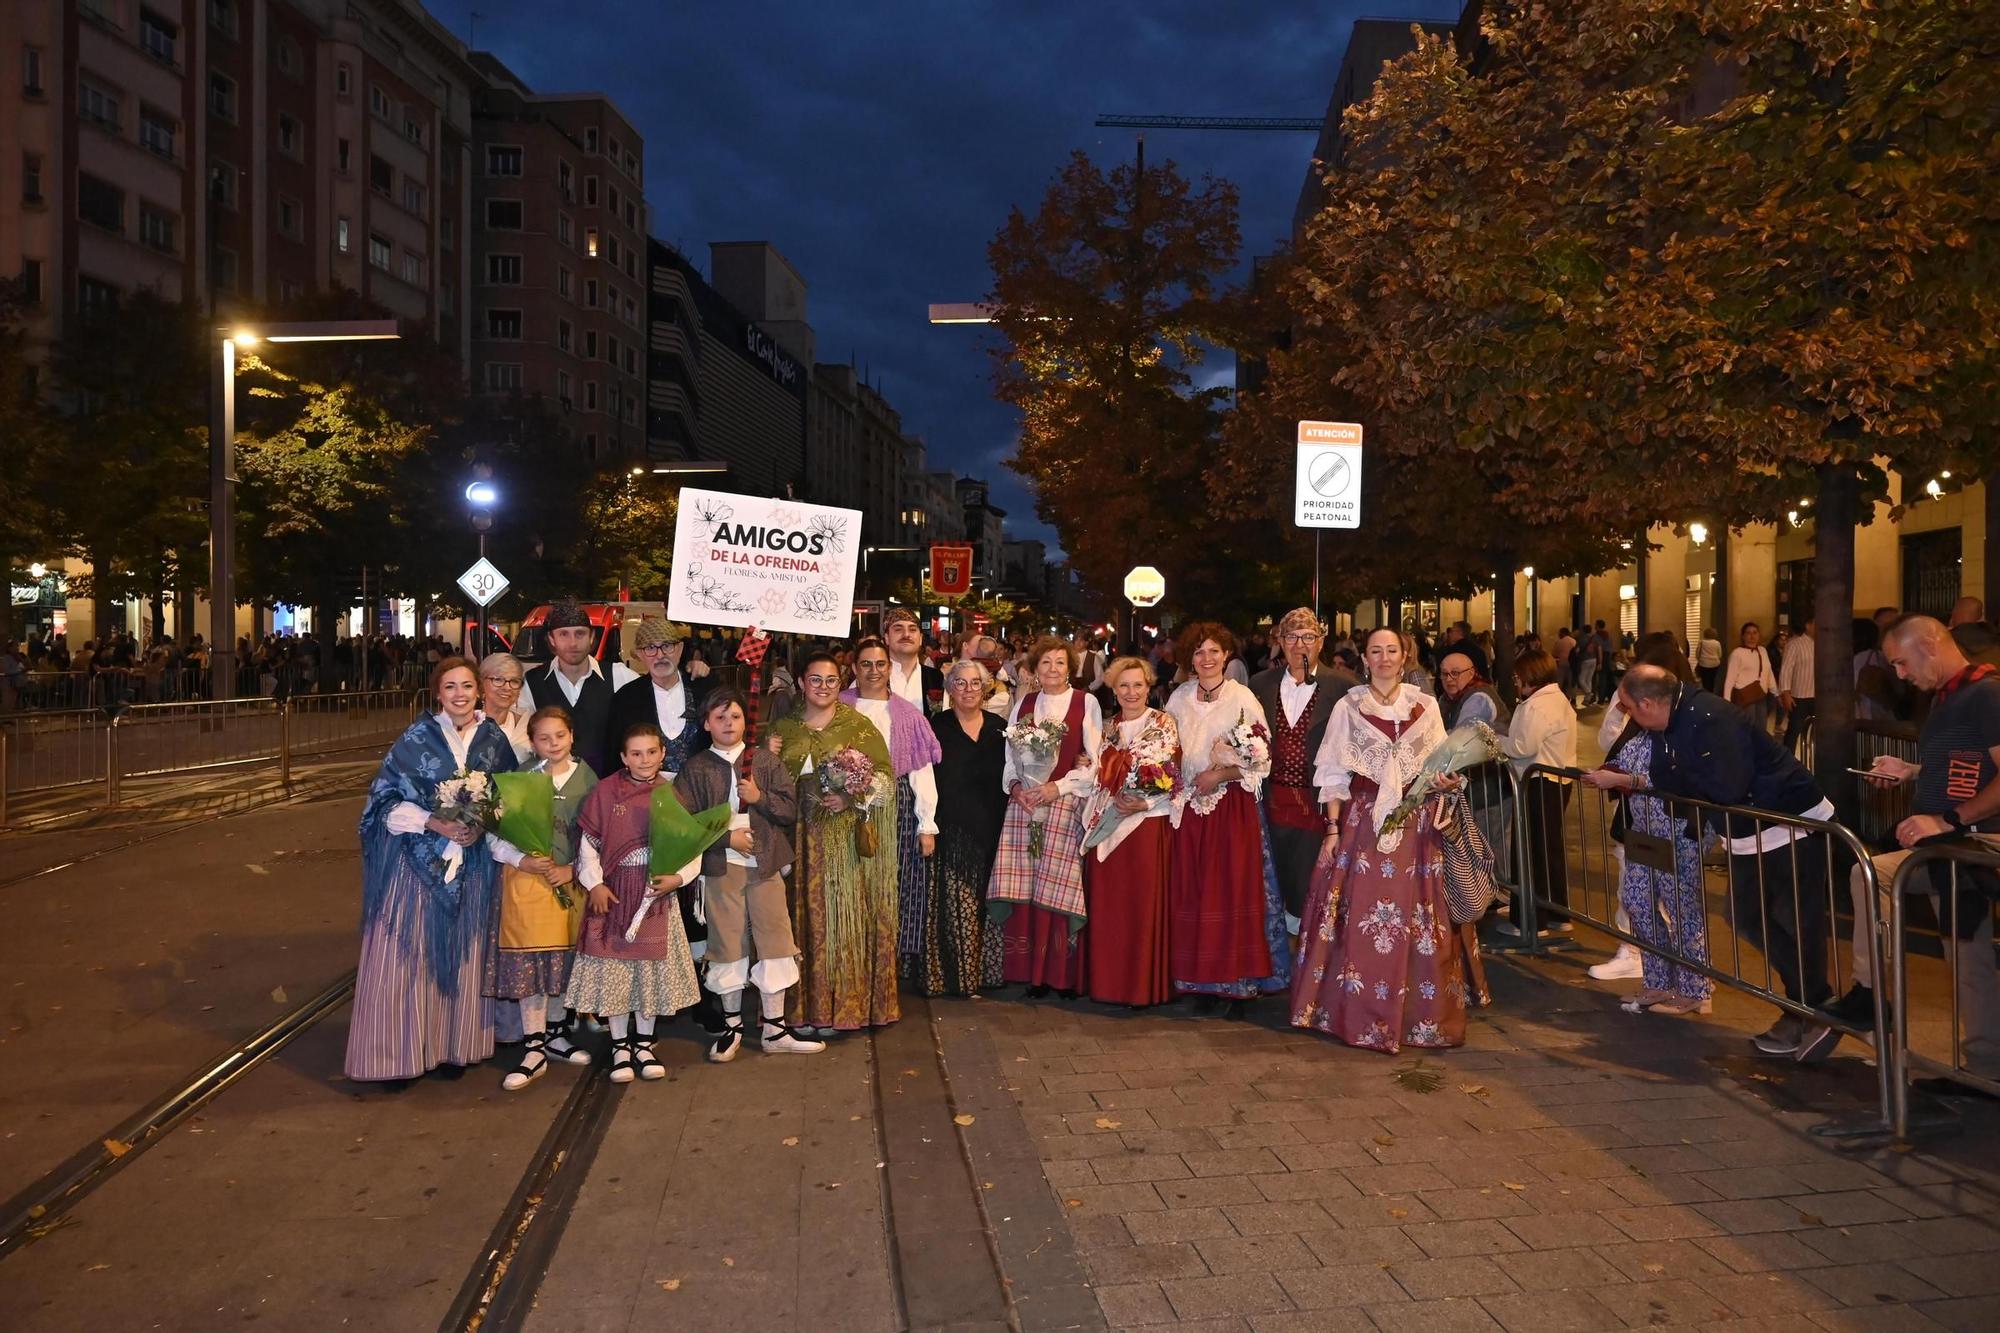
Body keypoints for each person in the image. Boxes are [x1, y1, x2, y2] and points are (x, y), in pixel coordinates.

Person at [1595, 664, 1840, 1062]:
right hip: (1748, 830)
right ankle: (1806, 1004)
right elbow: (1672, 777)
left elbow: (1726, 785)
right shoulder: (1674, 722)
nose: (1628, 718)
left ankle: (1815, 1007)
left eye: (1629, 709)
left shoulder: (1709, 718)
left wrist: (1671, 773)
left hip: (1788, 824)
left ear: (1648, 702)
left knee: (1791, 920)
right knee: (1746, 917)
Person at [1837, 617, 2000, 1097]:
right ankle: (1988, 1065)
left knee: (1871, 873)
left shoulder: (1986, 695)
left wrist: (1949, 820)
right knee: (1966, 954)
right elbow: (1968, 766)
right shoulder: (1953, 697)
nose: (1901, 674)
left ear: (1930, 643)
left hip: (1975, 843)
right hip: (1961, 845)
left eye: (1902, 662)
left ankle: (1870, 993)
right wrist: (1912, 772)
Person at [1293, 626, 1467, 1052]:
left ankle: (1415, 1019)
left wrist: (1446, 782)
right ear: (1364, 658)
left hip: (1416, 823)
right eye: (1376, 651)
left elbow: (1439, 763)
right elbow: (1333, 773)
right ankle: (1355, 1012)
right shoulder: (1349, 706)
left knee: (1419, 914)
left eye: (1392, 650)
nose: (1385, 657)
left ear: (1404, 656)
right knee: (1358, 911)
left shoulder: (1425, 706)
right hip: (1362, 823)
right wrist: (1333, 830)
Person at [346, 658, 519, 1085]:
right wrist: (434, 821)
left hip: (474, 865)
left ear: (479, 690)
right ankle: (395, 1057)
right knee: (407, 956)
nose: (459, 694)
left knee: (464, 954)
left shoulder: (494, 740)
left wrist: (481, 825)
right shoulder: (416, 737)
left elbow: (512, 799)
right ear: (437, 694)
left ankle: (452, 1047)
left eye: (466, 686)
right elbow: (382, 804)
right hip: (416, 863)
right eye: (449, 687)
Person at [675, 689, 822, 1061]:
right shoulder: (696, 768)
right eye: (720, 717)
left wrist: (759, 798)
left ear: (747, 722)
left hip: (764, 863)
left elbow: (788, 810)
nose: (728, 724)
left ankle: (775, 1028)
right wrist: (726, 837)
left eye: (736, 717)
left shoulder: (765, 762)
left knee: (776, 939)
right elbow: (682, 823)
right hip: (721, 865)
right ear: (706, 723)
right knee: (726, 943)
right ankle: (732, 1026)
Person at [566, 722, 704, 1083]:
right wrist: (594, 885)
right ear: (624, 757)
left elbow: (691, 844)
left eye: (652, 752)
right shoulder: (605, 792)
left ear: (662, 754)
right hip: (615, 889)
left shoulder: (673, 791)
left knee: (649, 970)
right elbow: (588, 844)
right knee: (616, 969)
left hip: (655, 891)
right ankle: (619, 1045)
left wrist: (679, 878)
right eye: (636, 753)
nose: (645, 760)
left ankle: (644, 1043)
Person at [771, 651, 900, 1034]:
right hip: (796, 838)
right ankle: (805, 1009)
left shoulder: (857, 726)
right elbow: (764, 782)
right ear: (801, 683)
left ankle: (843, 1009)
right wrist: (766, 757)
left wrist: (851, 797)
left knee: (844, 922)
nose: (823, 687)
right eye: (815, 679)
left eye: (831, 680)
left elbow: (886, 780)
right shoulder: (783, 727)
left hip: (843, 843)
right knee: (800, 924)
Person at [1581, 641, 1712, 1014]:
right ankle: (1657, 981)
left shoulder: (1688, 729)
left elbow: (1681, 779)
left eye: (1628, 703)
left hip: (1679, 832)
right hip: (1643, 832)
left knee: (1682, 909)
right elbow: (1621, 759)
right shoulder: (1641, 730)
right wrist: (1611, 777)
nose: (1624, 709)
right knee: (1638, 902)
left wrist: (1630, 780)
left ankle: (1695, 988)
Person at [1165, 622, 1283, 1012]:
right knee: (1193, 893)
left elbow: (1262, 758)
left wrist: (1220, 773)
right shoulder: (1179, 697)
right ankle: (1198, 982)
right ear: (1189, 659)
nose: (1207, 658)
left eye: (1214, 651)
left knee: (1230, 893)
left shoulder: (1242, 697)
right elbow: (1164, 749)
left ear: (1227, 655)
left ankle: (1236, 985)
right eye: (1199, 652)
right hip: (1188, 808)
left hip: (1230, 807)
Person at [487, 706, 596, 1090]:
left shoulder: (588, 780)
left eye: (560, 736)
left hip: (570, 883)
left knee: (561, 962)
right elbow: (494, 835)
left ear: (572, 737)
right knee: (532, 963)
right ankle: (532, 1046)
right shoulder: (519, 781)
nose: (553, 744)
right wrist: (521, 859)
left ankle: (554, 1035)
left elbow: (596, 837)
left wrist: (573, 871)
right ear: (532, 742)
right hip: (527, 884)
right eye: (544, 738)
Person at [989, 637, 1103, 994]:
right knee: (1025, 884)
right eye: (1045, 663)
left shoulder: (1087, 702)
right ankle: (1029, 971)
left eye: (1059, 663)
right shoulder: (1024, 702)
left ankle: (1059, 974)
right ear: (1034, 669)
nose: (1052, 669)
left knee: (1060, 888)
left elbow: (1094, 760)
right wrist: (1016, 788)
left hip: (1063, 803)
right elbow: (1009, 756)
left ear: (1070, 667)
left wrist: (1058, 788)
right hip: (1024, 805)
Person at [1250, 608, 1355, 945]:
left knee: (1315, 888)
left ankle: (1316, 966)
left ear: (1321, 641)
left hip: (1319, 806)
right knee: (1276, 885)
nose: (1300, 645)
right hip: (1272, 803)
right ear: (1279, 642)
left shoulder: (1344, 686)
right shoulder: (1259, 684)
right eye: (1291, 637)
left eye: (1308, 637)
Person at [1080, 656, 1180, 1007]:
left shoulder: (1165, 724)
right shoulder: (1106, 729)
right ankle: (1107, 985)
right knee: (1110, 909)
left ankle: (1140, 988)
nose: (1131, 692)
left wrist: (1146, 804)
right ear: (1113, 689)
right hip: (1108, 825)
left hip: (1147, 827)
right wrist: (1088, 767)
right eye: (1124, 685)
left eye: (1138, 685)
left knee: (1141, 909)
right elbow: (1097, 773)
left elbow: (1174, 776)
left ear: (1149, 687)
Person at [843, 636, 942, 981]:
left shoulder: (905, 713)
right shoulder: (838, 707)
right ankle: (852, 959)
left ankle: (887, 965)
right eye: (866, 664)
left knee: (893, 885)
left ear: (890, 669)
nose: (873, 671)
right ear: (854, 668)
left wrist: (925, 824)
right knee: (851, 886)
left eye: (880, 664)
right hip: (844, 808)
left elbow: (920, 769)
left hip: (896, 808)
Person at [925, 661, 1008, 996]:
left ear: (986, 688)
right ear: (949, 687)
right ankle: (958, 979)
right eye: (961, 683)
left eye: (976, 683)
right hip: (951, 828)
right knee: (956, 907)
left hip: (992, 826)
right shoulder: (937, 726)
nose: (969, 689)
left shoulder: (1001, 728)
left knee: (987, 906)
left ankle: (988, 974)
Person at [1497, 649, 1577, 933]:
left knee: (1529, 852)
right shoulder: (1558, 700)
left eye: (1518, 676)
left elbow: (1521, 747)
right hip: (1556, 781)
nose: (1515, 682)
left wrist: (1495, 741)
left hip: (1537, 782)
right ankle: (1555, 913)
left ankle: (1529, 921)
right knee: (1548, 851)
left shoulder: (1536, 705)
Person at [526, 599, 630, 777]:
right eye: (564, 634)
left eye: (580, 634)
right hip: (552, 792)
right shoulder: (532, 682)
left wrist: (693, 670)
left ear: (591, 637)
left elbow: (658, 689)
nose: (573, 643)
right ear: (552, 639)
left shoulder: (618, 675)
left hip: (607, 790)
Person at [607, 619, 713, 780]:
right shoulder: (625, 699)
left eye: (667, 646)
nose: (660, 655)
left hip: (701, 794)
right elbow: (613, 758)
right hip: (644, 798)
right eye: (650, 648)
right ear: (640, 654)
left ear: (679, 648)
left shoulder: (704, 689)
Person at [883, 607, 946, 714]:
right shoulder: (873, 677)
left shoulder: (936, 677)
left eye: (912, 629)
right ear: (887, 638)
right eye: (898, 629)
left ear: (920, 639)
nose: (906, 634)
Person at [1722, 622, 1778, 734]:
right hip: (1745, 697)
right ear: (1743, 636)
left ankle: (1759, 750)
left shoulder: (1762, 651)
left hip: (1761, 695)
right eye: (1748, 633)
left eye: (1755, 633)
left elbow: (1768, 671)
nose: (1752, 636)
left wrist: (1775, 691)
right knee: (1748, 728)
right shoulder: (1737, 653)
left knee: (1761, 728)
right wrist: (1726, 703)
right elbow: (1729, 679)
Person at [479, 652, 534, 764]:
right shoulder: (467, 724)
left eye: (514, 681)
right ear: (481, 683)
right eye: (498, 680)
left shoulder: (528, 726)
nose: (507, 687)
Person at [1779, 617, 1815, 755]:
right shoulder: (1795, 644)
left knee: (1816, 731)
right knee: (1794, 731)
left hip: (1818, 695)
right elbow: (1786, 669)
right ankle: (1788, 760)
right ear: (1808, 625)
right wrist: (1785, 693)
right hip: (1799, 696)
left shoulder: (1823, 644)